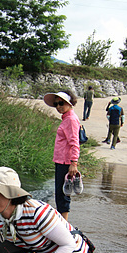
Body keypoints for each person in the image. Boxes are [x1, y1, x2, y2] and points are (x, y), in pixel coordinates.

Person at [43, 89, 81, 221]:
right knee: (60, 194)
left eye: (61, 103)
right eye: (56, 104)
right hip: (61, 161)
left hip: (66, 162)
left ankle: (64, 226)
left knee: (63, 195)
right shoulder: (67, 118)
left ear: (69, 103)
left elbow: (74, 142)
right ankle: (62, 224)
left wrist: (73, 163)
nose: (59, 107)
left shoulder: (70, 119)